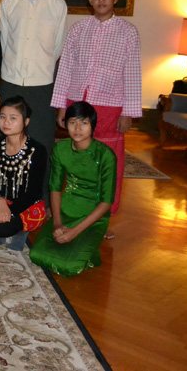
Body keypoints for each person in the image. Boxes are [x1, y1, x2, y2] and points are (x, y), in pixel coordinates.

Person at [51, 0, 141, 229]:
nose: (101, 0)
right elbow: (66, 68)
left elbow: (132, 73)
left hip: (110, 105)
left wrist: (129, 113)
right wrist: (61, 105)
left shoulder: (128, 32)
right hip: (78, 103)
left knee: (108, 160)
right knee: (78, 158)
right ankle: (73, 210)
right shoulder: (78, 30)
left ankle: (104, 219)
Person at [0, 0, 67, 203]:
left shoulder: (57, 5)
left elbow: (57, 47)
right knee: (9, 139)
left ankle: (41, 199)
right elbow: (5, 42)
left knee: (42, 141)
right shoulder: (9, 2)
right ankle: (7, 195)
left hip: (42, 83)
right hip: (11, 80)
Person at [29, 102, 116, 275]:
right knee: (36, 254)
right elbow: (54, 187)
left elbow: (106, 203)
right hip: (66, 212)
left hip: (93, 217)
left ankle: (89, 247)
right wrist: (57, 223)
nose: (77, 128)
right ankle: (82, 246)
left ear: (92, 125)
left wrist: (74, 232)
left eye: (84, 123)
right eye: (72, 122)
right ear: (65, 124)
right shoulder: (61, 149)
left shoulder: (105, 155)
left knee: (70, 267)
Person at [0, 96, 48, 251]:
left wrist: (9, 211)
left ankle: (22, 230)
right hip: (3, 200)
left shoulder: (37, 150)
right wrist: (0, 203)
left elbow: (34, 193)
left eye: (13, 118)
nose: (6, 122)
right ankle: (2, 233)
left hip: (27, 206)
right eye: (3, 117)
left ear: (26, 122)